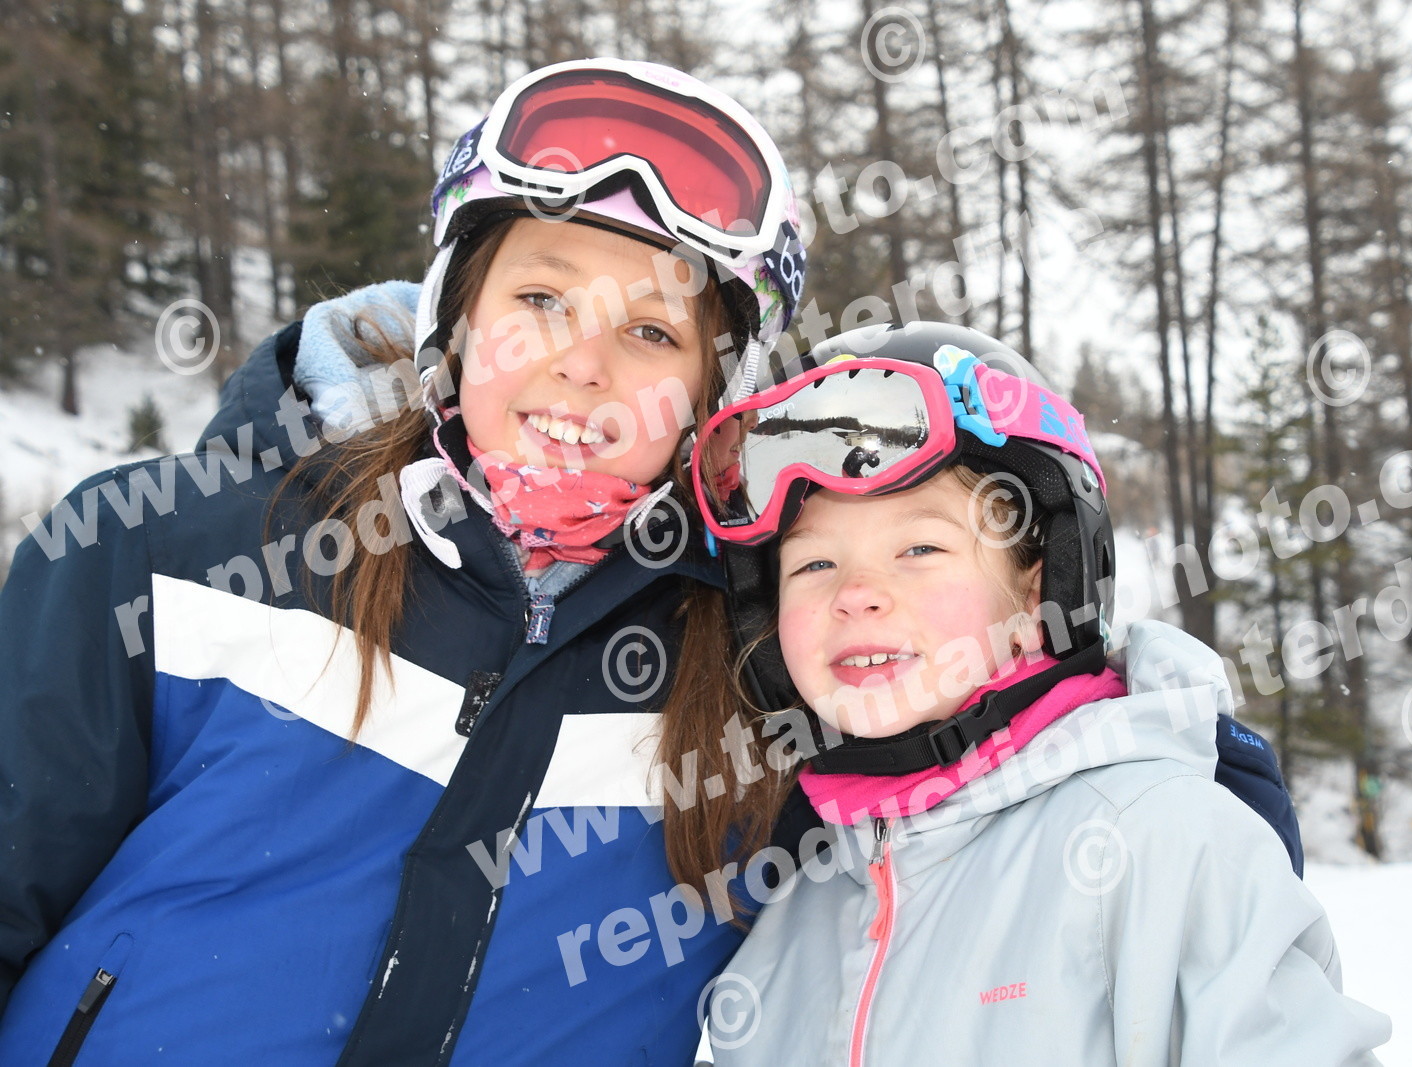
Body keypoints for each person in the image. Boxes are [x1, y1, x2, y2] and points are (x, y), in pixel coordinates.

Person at [0, 58, 812, 1064]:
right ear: (454, 319)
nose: (583, 363)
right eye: (542, 297)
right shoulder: (161, 554)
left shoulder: (762, 671)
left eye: (650, 330)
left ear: (712, 395)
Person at [688, 322, 1391, 1065]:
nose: (856, 593)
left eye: (919, 548)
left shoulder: (1164, 845)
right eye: (814, 564)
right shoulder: (785, 910)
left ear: (1036, 596)